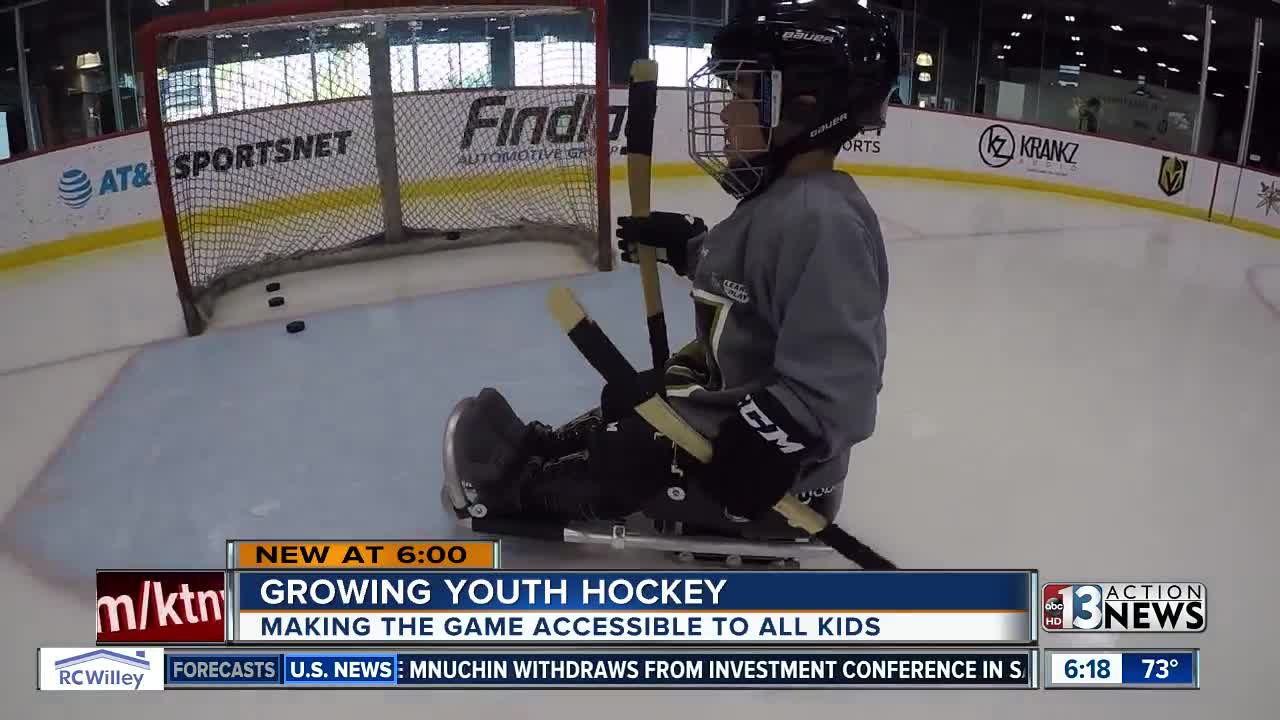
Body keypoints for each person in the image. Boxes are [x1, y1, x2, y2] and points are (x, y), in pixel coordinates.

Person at [449, 0, 896, 531]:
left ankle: (525, 489)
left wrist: (767, 442)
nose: (727, 112)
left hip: (768, 474)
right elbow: (754, 281)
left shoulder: (822, 220)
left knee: (635, 448)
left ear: (802, 102)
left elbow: (842, 381)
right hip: (731, 398)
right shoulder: (785, 201)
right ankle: (553, 450)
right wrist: (692, 249)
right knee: (640, 395)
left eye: (741, 93)